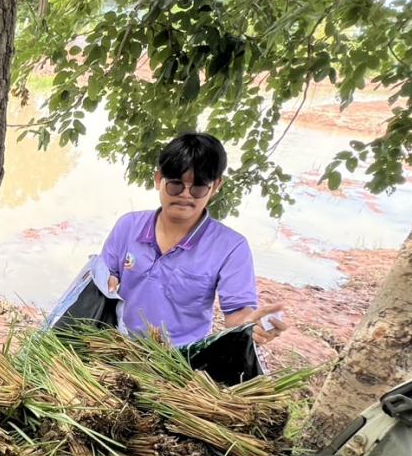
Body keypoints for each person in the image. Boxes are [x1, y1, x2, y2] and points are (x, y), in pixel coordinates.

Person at [64, 132, 287, 349]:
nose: (185, 195)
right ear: (159, 179)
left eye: (198, 187)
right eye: (176, 185)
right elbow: (102, 278)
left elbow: (237, 314)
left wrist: (251, 326)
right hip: (119, 346)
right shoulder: (128, 227)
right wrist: (105, 280)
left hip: (179, 361)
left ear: (216, 186)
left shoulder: (230, 247)